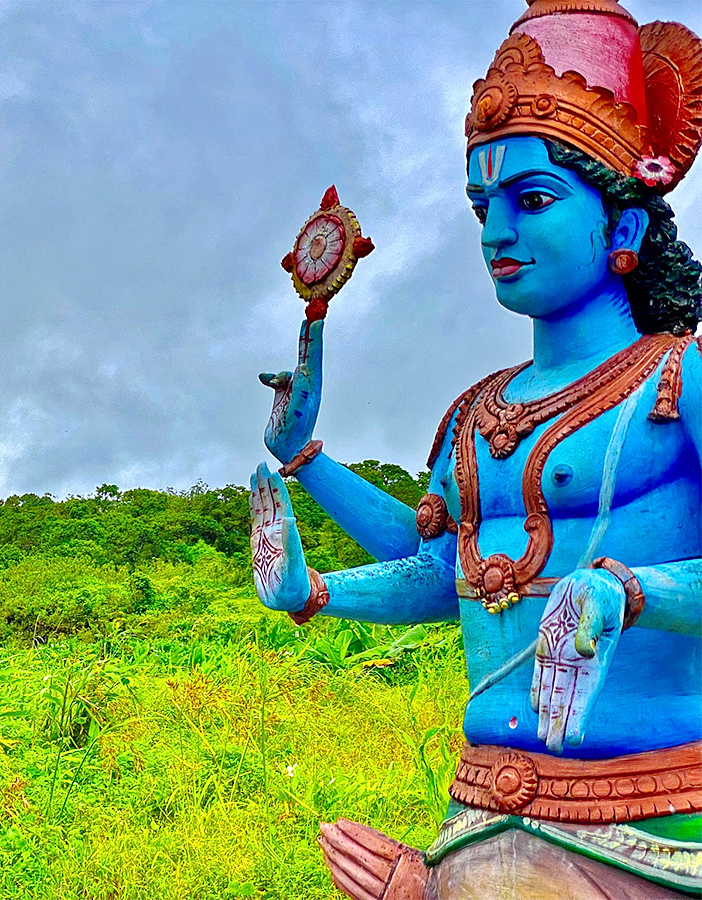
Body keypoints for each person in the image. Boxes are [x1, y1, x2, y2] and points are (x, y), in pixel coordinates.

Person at [250, 1, 702, 897]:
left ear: (623, 229)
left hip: (655, 821)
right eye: (481, 205)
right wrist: (312, 537)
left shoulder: (678, 379)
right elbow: (440, 568)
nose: (497, 232)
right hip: (478, 814)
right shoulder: (475, 412)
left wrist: (628, 590)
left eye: (531, 200)